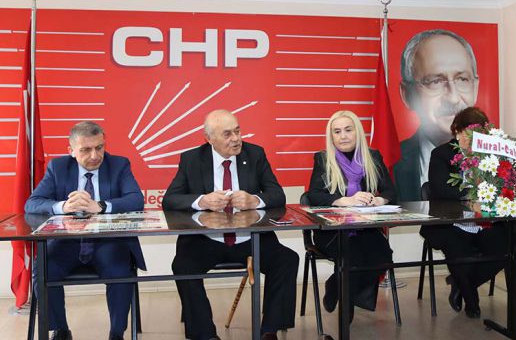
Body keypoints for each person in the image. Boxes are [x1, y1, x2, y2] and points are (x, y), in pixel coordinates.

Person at [162, 110, 298, 340]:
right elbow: (170, 200)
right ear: (209, 138)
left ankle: (269, 331)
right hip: (206, 240)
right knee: (183, 266)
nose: (236, 139)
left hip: (251, 238)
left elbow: (277, 195)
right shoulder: (192, 159)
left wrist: (255, 200)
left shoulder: (255, 154)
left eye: (237, 131)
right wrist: (201, 201)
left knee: (287, 260)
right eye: (227, 134)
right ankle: (205, 334)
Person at [24, 121, 146, 340]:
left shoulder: (119, 165)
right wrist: (63, 206)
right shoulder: (58, 167)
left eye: (99, 147)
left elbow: (136, 199)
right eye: (86, 150)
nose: (94, 156)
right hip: (67, 242)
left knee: (120, 271)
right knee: (43, 269)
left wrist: (100, 206)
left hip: (107, 243)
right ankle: (60, 330)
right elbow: (32, 203)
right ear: (71, 151)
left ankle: (117, 333)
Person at [305, 110, 395, 321]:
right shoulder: (323, 158)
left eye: (348, 130)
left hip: (365, 227)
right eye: (337, 132)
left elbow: (391, 191)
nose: (343, 136)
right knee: (352, 258)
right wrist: (342, 200)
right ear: (331, 136)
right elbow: (313, 195)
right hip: (332, 230)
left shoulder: (372, 157)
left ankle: (334, 285)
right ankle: (346, 319)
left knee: (383, 256)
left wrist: (379, 200)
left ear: (358, 132)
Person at [420, 107, 506, 319]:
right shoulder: (441, 154)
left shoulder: (490, 155)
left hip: (484, 221)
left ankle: (460, 284)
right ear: (457, 131)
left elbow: (502, 185)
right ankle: (471, 301)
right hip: (451, 222)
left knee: (505, 248)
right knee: (459, 253)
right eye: (470, 134)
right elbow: (440, 189)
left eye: (480, 135)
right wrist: (473, 194)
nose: (475, 140)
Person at [395, 29, 479, 200]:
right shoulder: (391, 160)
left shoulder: (497, 156)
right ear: (407, 94)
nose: (453, 98)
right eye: (435, 81)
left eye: (462, 79)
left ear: (475, 87)